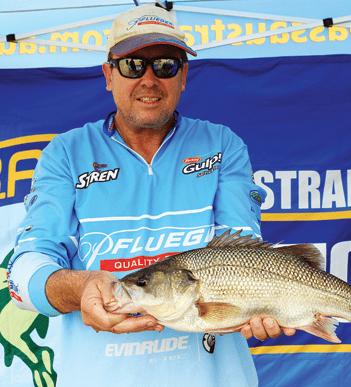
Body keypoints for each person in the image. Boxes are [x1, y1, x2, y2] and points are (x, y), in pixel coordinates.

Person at [7, 4, 294, 386]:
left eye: (165, 65)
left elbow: (243, 253)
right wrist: (81, 287)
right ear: (108, 74)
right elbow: (22, 276)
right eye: (131, 65)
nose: (148, 79)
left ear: (183, 76)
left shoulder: (222, 145)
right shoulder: (65, 153)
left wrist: (259, 305)